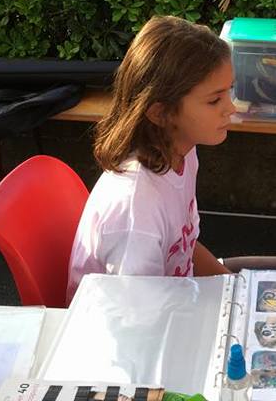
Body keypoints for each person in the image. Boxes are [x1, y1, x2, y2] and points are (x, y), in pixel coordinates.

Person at [66, 16, 235, 303]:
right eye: (214, 100)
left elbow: (184, 246)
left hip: (169, 303)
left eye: (228, 92)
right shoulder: (136, 209)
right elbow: (135, 321)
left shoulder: (182, 150)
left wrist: (236, 291)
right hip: (133, 330)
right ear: (161, 113)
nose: (231, 108)